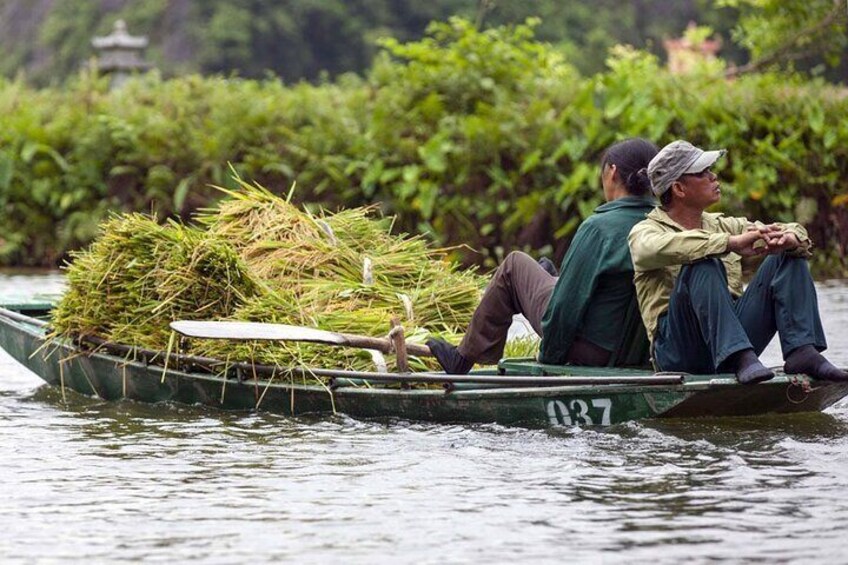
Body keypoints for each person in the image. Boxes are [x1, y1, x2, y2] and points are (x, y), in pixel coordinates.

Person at [426, 138, 659, 374]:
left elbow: (565, 308)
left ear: (612, 172)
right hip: (637, 351)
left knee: (514, 265)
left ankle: (462, 359)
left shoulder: (599, 229)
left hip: (591, 351)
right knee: (547, 272)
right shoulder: (666, 225)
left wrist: (549, 358)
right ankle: (547, 278)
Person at [628, 139, 847, 384]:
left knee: (790, 255)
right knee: (703, 262)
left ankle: (802, 351)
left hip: (731, 337)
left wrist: (791, 238)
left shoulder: (722, 225)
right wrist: (729, 243)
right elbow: (649, 250)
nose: (714, 176)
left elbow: (788, 228)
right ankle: (739, 358)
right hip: (680, 351)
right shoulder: (644, 231)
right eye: (703, 173)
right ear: (679, 189)